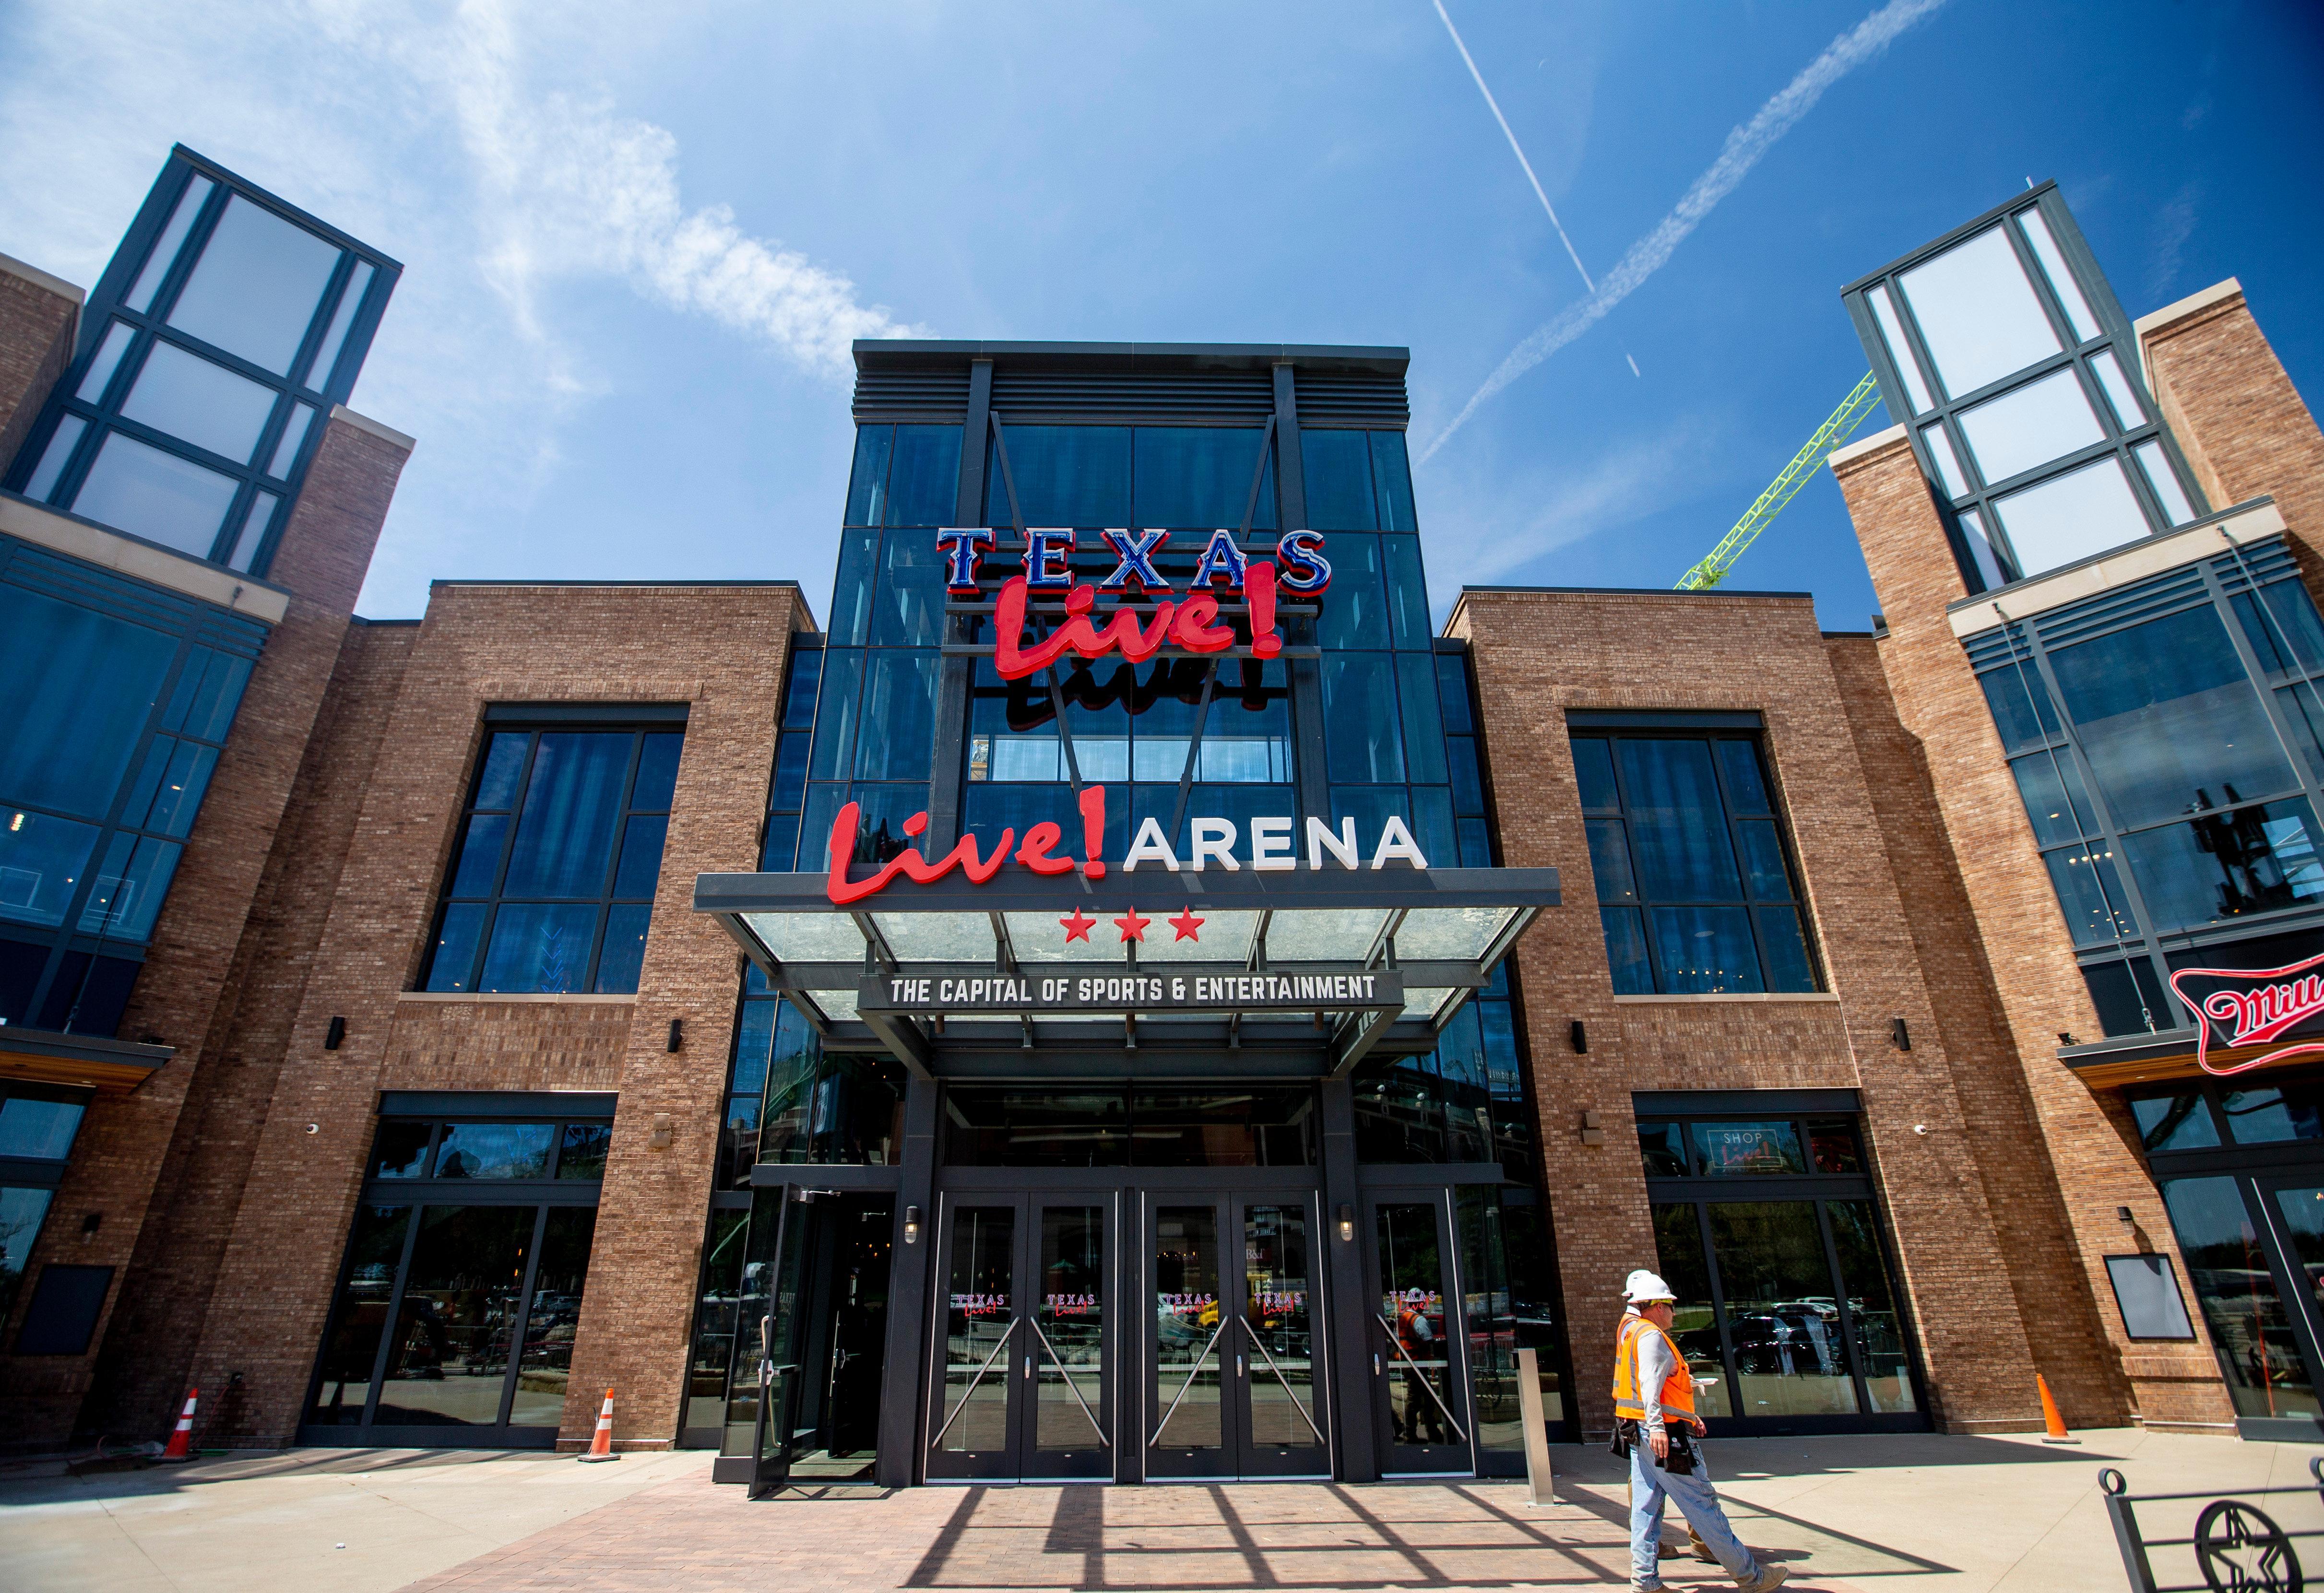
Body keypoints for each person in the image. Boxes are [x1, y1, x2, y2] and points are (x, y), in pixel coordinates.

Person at [1613, 1269, 1788, 1593]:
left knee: (1645, 1508)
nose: (1674, 1313)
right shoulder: (1650, 1335)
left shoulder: (1632, 1331)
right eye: (1670, 1305)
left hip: (1644, 1431)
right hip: (1664, 1436)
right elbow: (1650, 1386)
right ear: (1657, 1306)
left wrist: (1686, 1413)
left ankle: (1645, 1583)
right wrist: (1661, 1428)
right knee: (1701, 1504)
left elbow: (1656, 1388)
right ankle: (1751, 1577)